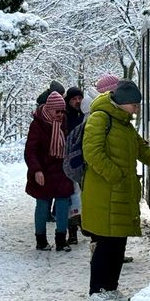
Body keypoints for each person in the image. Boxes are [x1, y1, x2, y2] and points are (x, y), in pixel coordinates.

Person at [81, 79, 150, 301]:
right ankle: (98, 290)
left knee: (118, 243)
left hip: (120, 194)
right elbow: (92, 152)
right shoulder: (100, 118)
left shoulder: (125, 124)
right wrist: (115, 175)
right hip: (104, 194)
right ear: (123, 102)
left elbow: (144, 152)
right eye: (134, 105)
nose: (137, 109)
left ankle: (110, 288)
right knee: (106, 244)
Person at [25, 90, 75, 252]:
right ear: (49, 109)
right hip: (43, 172)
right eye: (57, 111)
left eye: (62, 111)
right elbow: (30, 151)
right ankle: (41, 240)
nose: (60, 115)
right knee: (42, 205)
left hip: (61, 171)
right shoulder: (38, 125)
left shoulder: (65, 123)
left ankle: (61, 240)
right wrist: (36, 170)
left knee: (62, 205)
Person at [63, 86, 86, 244]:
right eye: (74, 99)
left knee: (82, 195)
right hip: (71, 160)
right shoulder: (65, 117)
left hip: (82, 159)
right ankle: (72, 231)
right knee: (72, 197)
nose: (77, 101)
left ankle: (84, 224)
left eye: (79, 98)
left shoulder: (84, 115)